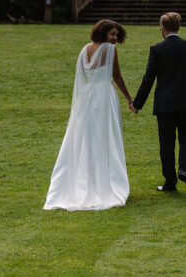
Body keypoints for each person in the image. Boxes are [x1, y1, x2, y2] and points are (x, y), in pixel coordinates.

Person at [44, 20, 133, 211]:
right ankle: (105, 182)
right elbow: (116, 76)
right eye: (112, 34)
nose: (115, 38)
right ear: (103, 34)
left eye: (117, 35)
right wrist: (129, 98)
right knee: (106, 137)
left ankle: (84, 181)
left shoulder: (85, 49)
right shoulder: (109, 50)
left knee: (86, 138)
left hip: (86, 98)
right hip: (104, 96)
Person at [131, 11, 186, 193]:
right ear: (179, 27)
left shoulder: (157, 49)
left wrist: (137, 103)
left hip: (165, 104)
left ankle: (170, 181)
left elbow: (148, 79)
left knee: (166, 143)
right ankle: (184, 169)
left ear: (162, 28)